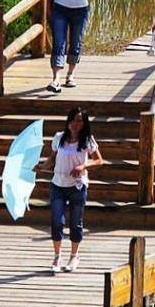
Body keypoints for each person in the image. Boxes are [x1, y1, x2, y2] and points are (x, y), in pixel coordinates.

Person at [48, 108, 104, 275]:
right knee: (57, 221)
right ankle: (57, 256)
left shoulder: (87, 140)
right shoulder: (59, 138)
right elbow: (52, 158)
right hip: (58, 184)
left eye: (79, 121)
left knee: (75, 222)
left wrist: (83, 166)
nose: (75, 124)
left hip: (77, 186)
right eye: (73, 120)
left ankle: (74, 255)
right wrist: (42, 166)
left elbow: (99, 160)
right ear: (68, 121)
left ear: (84, 123)